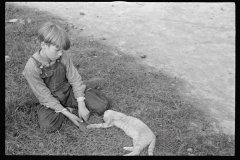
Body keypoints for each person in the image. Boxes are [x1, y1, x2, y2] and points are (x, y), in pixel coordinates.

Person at [22, 21, 92, 133]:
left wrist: (81, 103)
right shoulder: (31, 68)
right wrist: (68, 114)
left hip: (67, 91)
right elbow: (44, 96)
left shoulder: (62, 55)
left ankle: (81, 93)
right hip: (49, 100)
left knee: (101, 105)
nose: (60, 53)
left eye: (62, 50)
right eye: (57, 49)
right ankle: (66, 108)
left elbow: (74, 78)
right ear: (44, 45)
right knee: (47, 126)